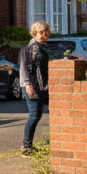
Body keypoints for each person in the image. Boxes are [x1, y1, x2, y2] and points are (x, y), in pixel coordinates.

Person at [19, 20, 51, 155]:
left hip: (43, 87)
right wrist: (28, 84)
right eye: (41, 33)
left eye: (46, 32)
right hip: (32, 87)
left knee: (40, 114)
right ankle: (26, 147)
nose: (44, 35)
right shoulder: (29, 49)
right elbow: (23, 68)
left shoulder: (42, 48)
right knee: (34, 115)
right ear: (34, 34)